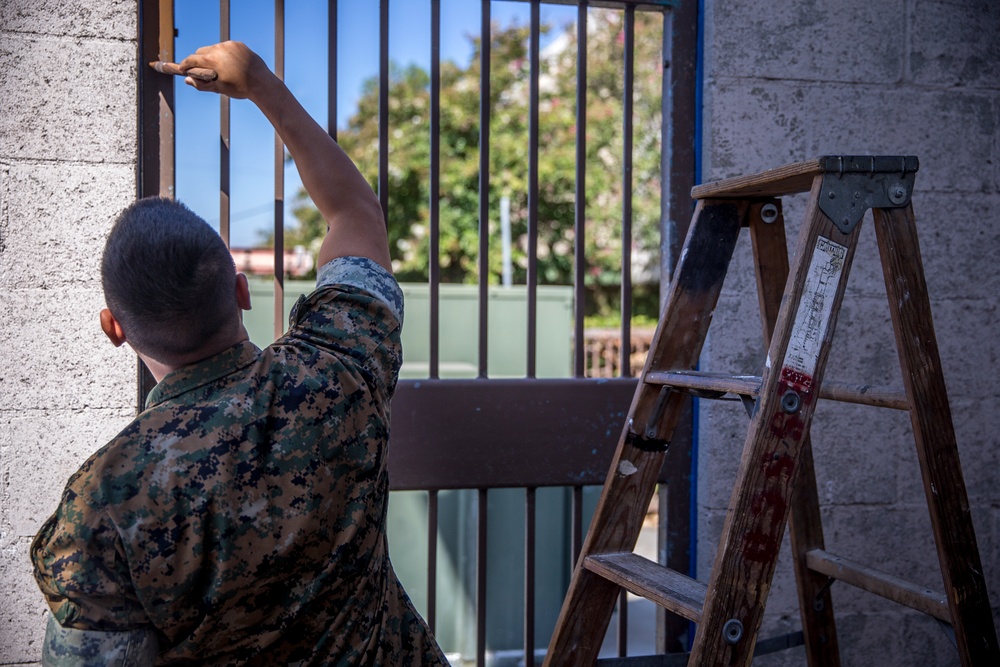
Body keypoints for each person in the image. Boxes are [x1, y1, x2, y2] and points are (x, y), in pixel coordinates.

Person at [30, 41, 448, 666]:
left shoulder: (105, 504)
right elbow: (356, 213)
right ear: (241, 291)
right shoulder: (336, 370)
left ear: (113, 327)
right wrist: (259, 84)